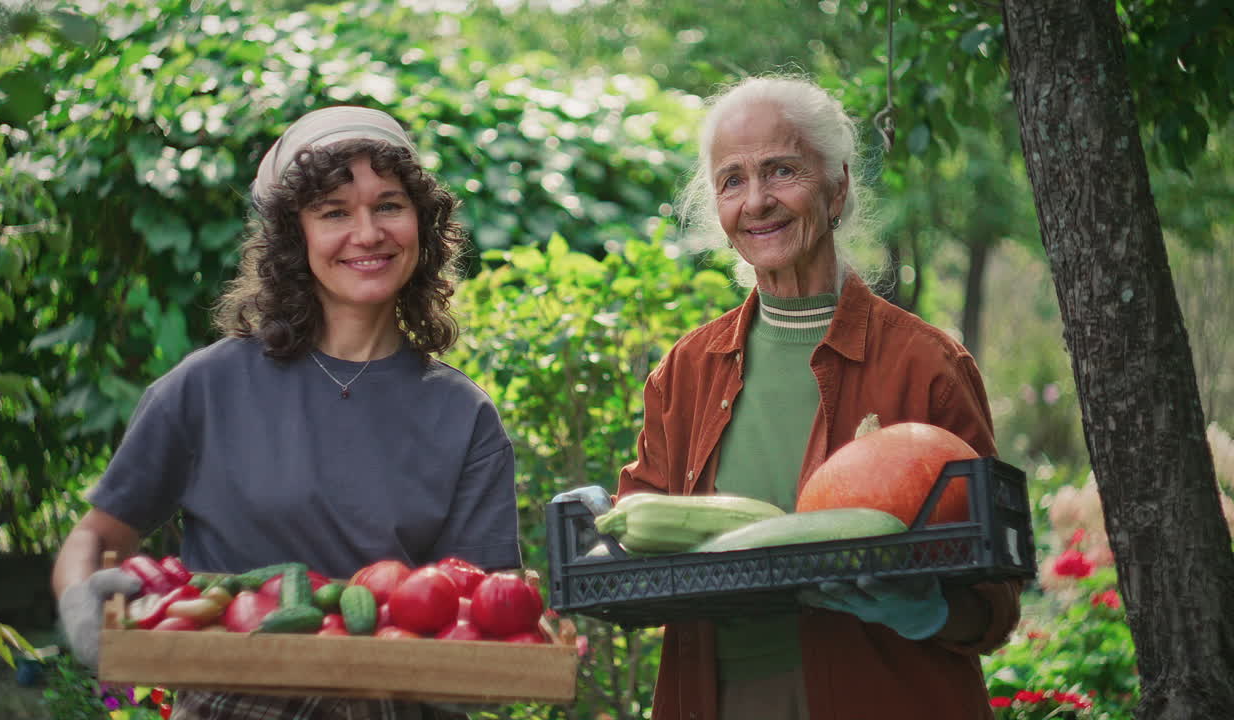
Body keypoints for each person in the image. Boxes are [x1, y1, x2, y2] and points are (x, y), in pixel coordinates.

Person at [554, 75, 1021, 719]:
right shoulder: (685, 374)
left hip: (883, 696)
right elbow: (642, 535)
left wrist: (930, 610)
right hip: (719, 700)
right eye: (733, 180)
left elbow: (995, 596)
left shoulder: (926, 365)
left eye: (782, 171)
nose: (757, 201)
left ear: (837, 188)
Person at [52, 106, 521, 720]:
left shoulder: (464, 415)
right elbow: (97, 536)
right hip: (231, 705)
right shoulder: (207, 386)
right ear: (293, 237)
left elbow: (482, 611)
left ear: (422, 224)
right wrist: (80, 601)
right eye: (333, 212)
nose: (368, 232)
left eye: (388, 205)